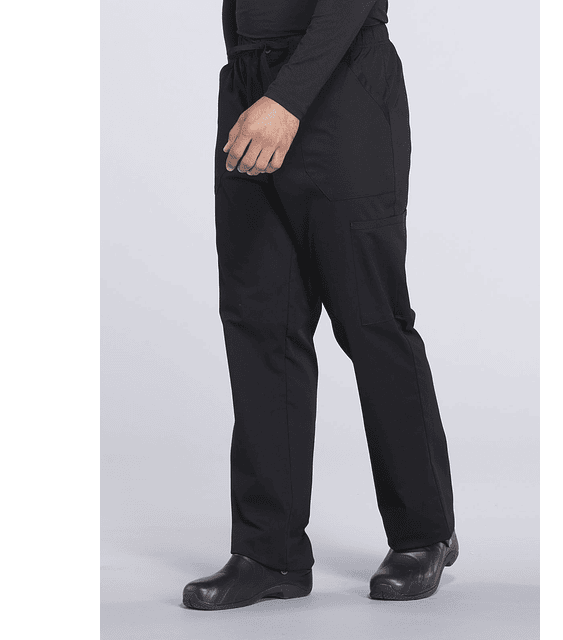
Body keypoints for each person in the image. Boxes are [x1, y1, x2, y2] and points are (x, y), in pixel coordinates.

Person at [183, 0, 458, 610]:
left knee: (371, 318)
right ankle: (270, 551)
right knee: (260, 321)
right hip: (251, 81)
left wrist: (286, 99)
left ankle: (424, 532)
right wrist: (247, 74)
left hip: (340, 82)